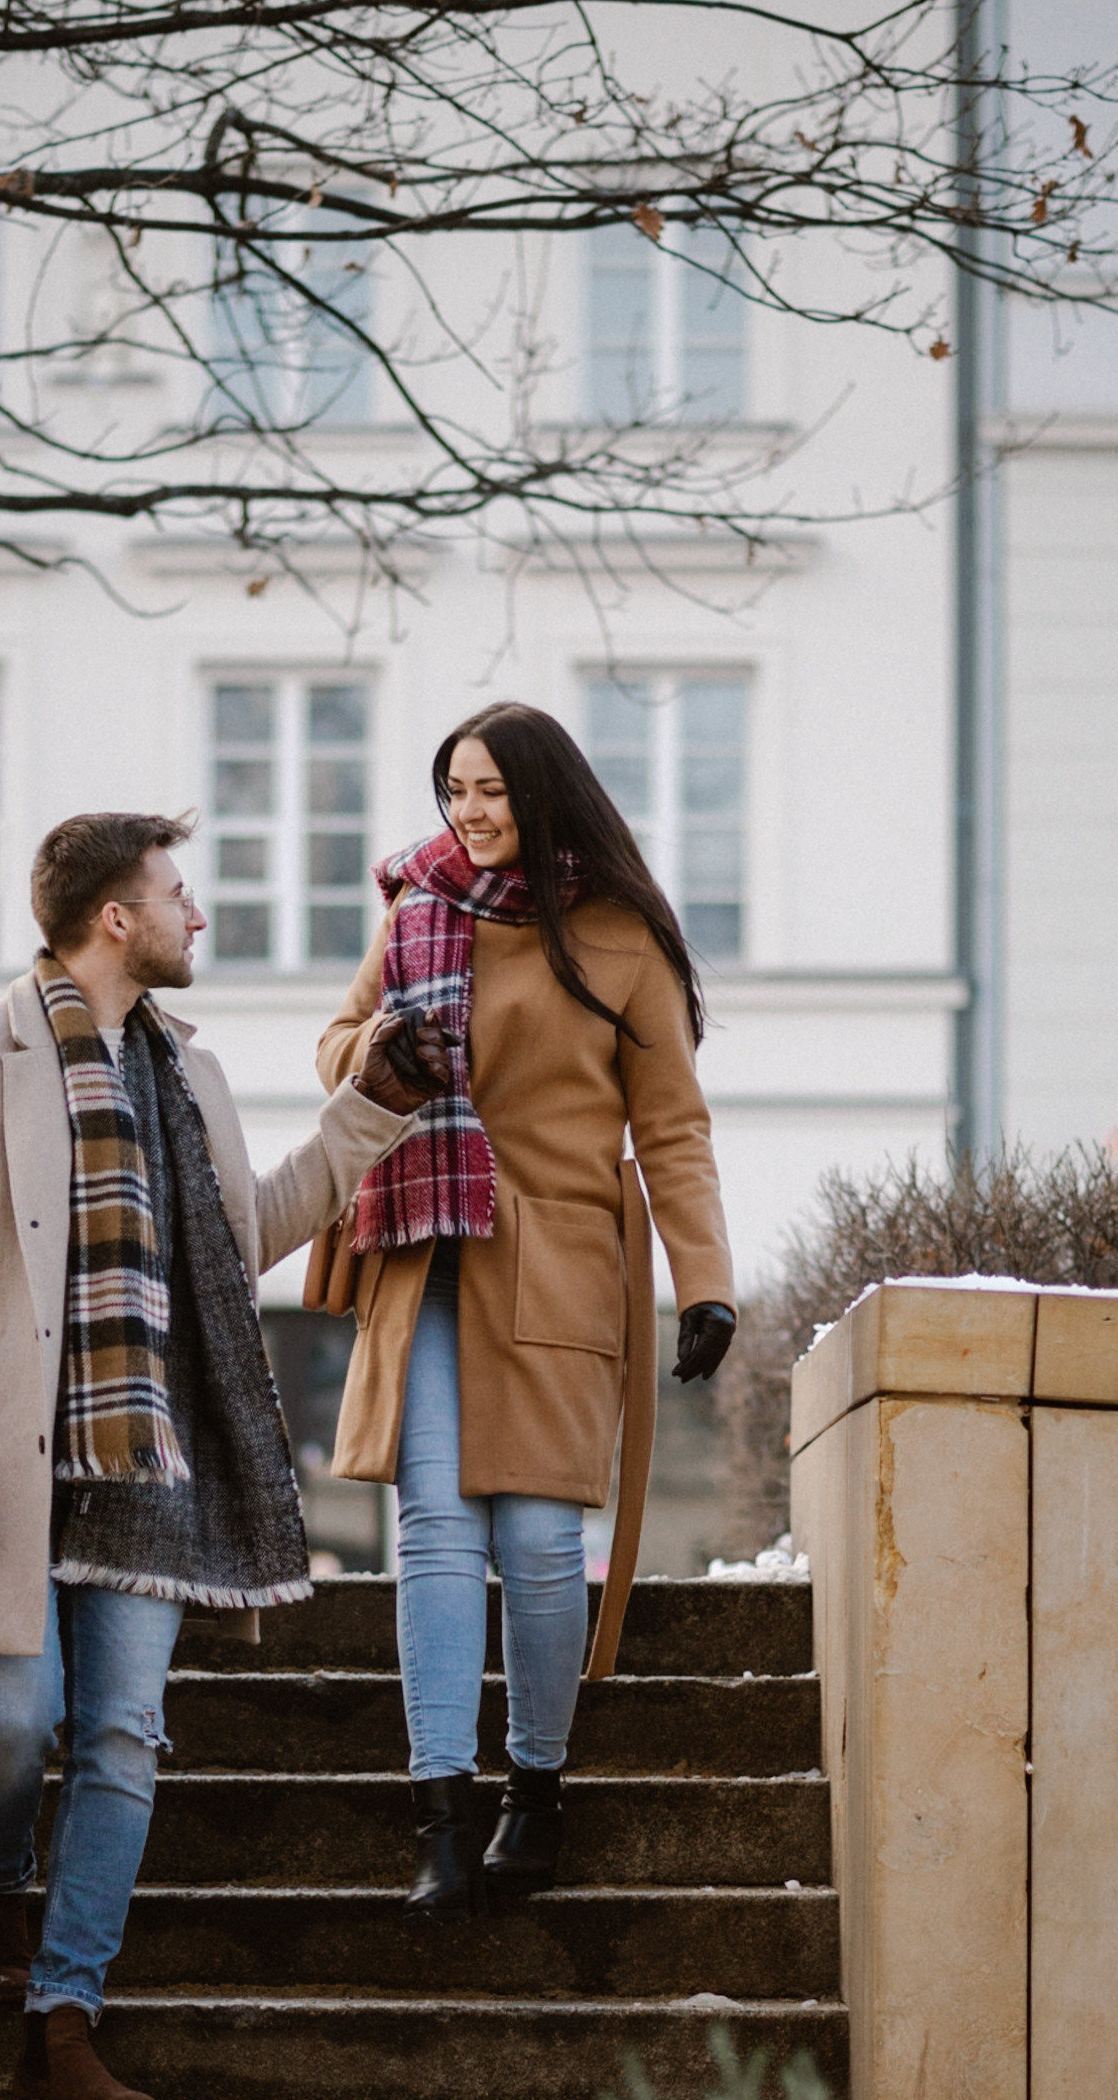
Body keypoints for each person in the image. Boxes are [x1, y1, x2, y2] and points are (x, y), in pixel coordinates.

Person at [0, 812, 446, 2100]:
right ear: (116, 917)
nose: (201, 918)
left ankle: (62, 2022)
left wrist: (376, 1107)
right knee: (11, 1731)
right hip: (9, 1465)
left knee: (122, 1742)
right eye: (181, 895)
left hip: (149, 1467)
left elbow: (244, 1240)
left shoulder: (187, 1074)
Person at [313, 703, 737, 1916]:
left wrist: (702, 1280)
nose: (467, 811)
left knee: (543, 1547)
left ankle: (533, 1789)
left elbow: (670, 1127)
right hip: (422, 1252)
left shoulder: (617, 938)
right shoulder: (414, 909)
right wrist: (383, 1044)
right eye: (452, 788)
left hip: (552, 1260)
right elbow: (337, 1040)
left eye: (489, 788)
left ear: (543, 792)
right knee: (435, 1530)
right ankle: (439, 1813)